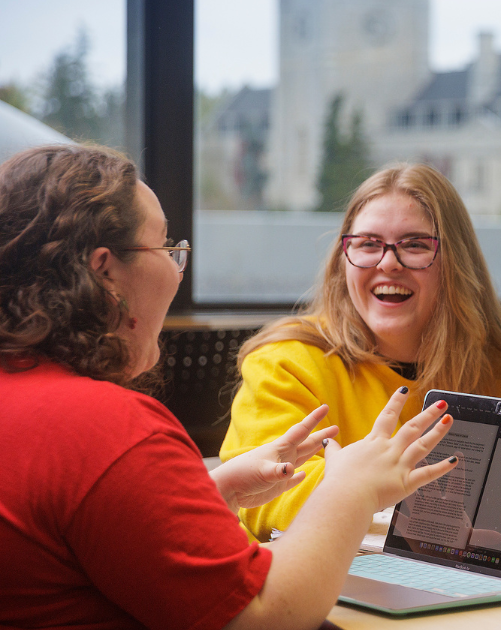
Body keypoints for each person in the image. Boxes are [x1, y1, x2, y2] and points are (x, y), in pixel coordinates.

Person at [0, 144, 460, 629]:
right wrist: (353, 487)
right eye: (165, 248)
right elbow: (267, 617)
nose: (179, 270)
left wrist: (210, 491)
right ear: (105, 272)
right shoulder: (110, 431)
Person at [220, 163, 501, 542]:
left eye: (415, 245)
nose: (388, 262)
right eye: (368, 244)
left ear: (456, 263)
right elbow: (261, 498)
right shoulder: (286, 364)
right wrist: (408, 518)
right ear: (343, 262)